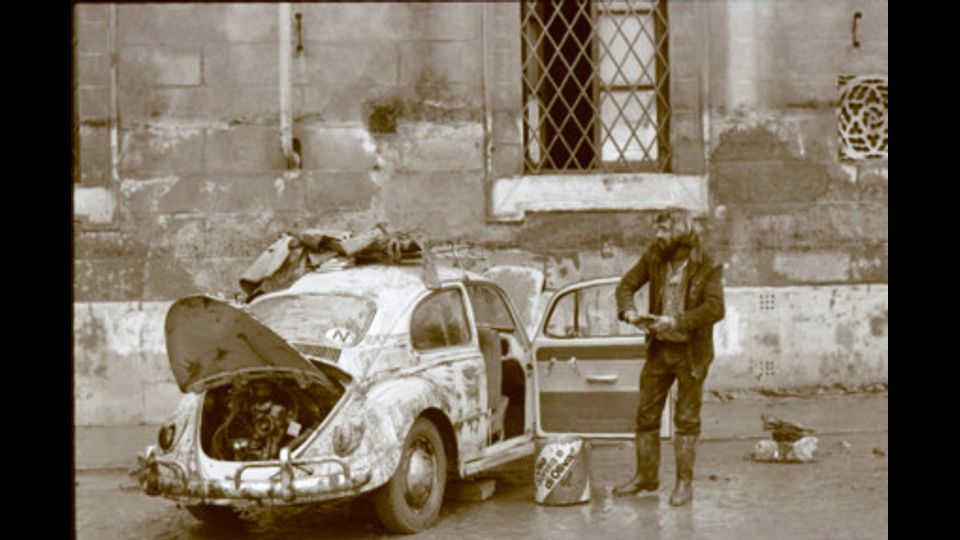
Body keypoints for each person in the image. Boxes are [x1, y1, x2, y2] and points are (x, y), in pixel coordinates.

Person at [613, 208, 725, 506]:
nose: (657, 235)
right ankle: (646, 477)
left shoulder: (706, 261)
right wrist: (629, 312)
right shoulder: (655, 255)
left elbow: (716, 308)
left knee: (686, 419)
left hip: (691, 353)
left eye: (663, 230)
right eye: (657, 229)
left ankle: (684, 484)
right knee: (646, 415)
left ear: (679, 230)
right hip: (659, 349)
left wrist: (676, 321)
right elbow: (626, 286)